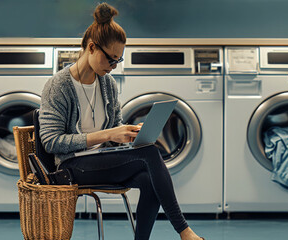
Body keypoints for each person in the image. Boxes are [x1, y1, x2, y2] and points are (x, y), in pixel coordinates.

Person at [38, 3, 205, 240]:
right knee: (149, 154)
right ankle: (184, 231)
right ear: (92, 48)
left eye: (118, 61)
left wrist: (129, 135)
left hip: (100, 161)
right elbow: (51, 142)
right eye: (111, 60)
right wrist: (108, 135)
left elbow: (115, 124)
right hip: (71, 167)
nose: (113, 67)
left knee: (149, 180)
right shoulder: (58, 86)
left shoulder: (108, 84)